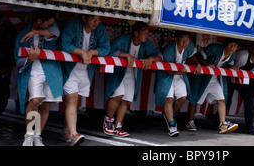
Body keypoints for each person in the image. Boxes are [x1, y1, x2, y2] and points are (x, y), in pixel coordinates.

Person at [103, 21, 162, 137]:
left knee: (126, 99)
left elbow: (159, 55)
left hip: (132, 74)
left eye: (148, 33)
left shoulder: (145, 43)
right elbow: (108, 50)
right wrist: (126, 55)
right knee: (118, 95)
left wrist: (151, 59)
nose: (147, 35)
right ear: (136, 33)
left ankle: (118, 126)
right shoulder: (123, 39)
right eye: (144, 33)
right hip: (118, 72)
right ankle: (108, 121)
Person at [59, 15, 110, 146]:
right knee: (71, 99)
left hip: (86, 70)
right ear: (84, 17)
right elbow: (64, 44)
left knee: (75, 101)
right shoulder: (72, 25)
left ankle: (66, 130)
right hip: (71, 69)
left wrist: (91, 52)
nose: (96, 22)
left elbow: (106, 48)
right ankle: (74, 134)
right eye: (93, 18)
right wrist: (81, 52)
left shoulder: (99, 29)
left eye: (98, 19)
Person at [14, 10, 62, 146]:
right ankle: (29, 134)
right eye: (49, 23)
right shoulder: (22, 36)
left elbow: (55, 33)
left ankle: (38, 135)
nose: (51, 25)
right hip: (33, 72)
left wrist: (35, 32)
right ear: (39, 21)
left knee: (46, 105)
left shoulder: (49, 29)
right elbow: (17, 61)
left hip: (52, 71)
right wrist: (29, 58)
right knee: (35, 101)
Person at [186, 38, 240, 134]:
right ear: (226, 43)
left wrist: (232, 67)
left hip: (214, 79)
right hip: (202, 77)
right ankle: (189, 121)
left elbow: (228, 64)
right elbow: (198, 55)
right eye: (231, 44)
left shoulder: (233, 55)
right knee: (194, 99)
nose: (233, 47)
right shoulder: (215, 48)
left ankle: (222, 124)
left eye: (235, 45)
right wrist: (206, 65)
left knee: (221, 99)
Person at [154, 30, 197, 136]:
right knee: (169, 99)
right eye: (183, 39)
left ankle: (170, 114)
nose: (185, 42)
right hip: (166, 76)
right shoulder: (169, 49)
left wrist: (198, 64)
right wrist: (178, 72)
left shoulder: (189, 46)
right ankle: (172, 124)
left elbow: (193, 55)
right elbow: (164, 69)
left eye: (187, 39)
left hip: (179, 76)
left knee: (182, 97)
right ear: (177, 39)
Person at [228, 42, 254, 134]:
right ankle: (219, 123)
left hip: (244, 81)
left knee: (249, 101)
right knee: (227, 100)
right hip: (232, 79)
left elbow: (253, 72)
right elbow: (233, 66)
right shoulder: (244, 55)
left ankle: (249, 126)